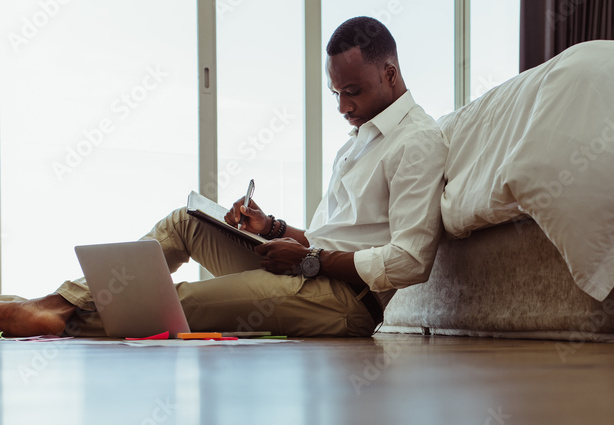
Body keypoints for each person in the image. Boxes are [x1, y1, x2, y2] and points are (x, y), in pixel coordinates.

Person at [0, 16, 446, 338]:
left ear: (389, 73)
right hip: (310, 273)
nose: (343, 108)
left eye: (353, 92)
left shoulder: (418, 141)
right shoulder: (360, 139)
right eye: (336, 94)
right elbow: (336, 238)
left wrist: (308, 261)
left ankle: (38, 315)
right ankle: (58, 303)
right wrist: (272, 229)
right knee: (185, 221)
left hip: (347, 302)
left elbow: (410, 259)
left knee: (183, 302)